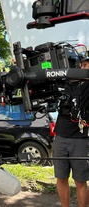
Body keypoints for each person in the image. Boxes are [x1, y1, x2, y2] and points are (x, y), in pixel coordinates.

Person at [53, 57, 89, 207]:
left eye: (87, 65)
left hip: (80, 139)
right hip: (60, 136)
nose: (84, 68)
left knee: (80, 181)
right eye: (83, 65)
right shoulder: (65, 82)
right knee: (61, 178)